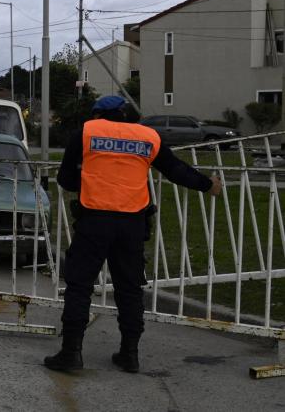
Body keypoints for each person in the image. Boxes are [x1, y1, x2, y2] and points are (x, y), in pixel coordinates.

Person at [44, 95, 222, 374]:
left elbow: (65, 179)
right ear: (127, 115)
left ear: (98, 114)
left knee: (79, 286)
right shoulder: (147, 136)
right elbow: (175, 169)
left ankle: (71, 354)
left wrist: (90, 178)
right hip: (132, 223)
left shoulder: (87, 132)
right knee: (129, 289)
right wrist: (206, 185)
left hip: (95, 220)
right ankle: (130, 354)